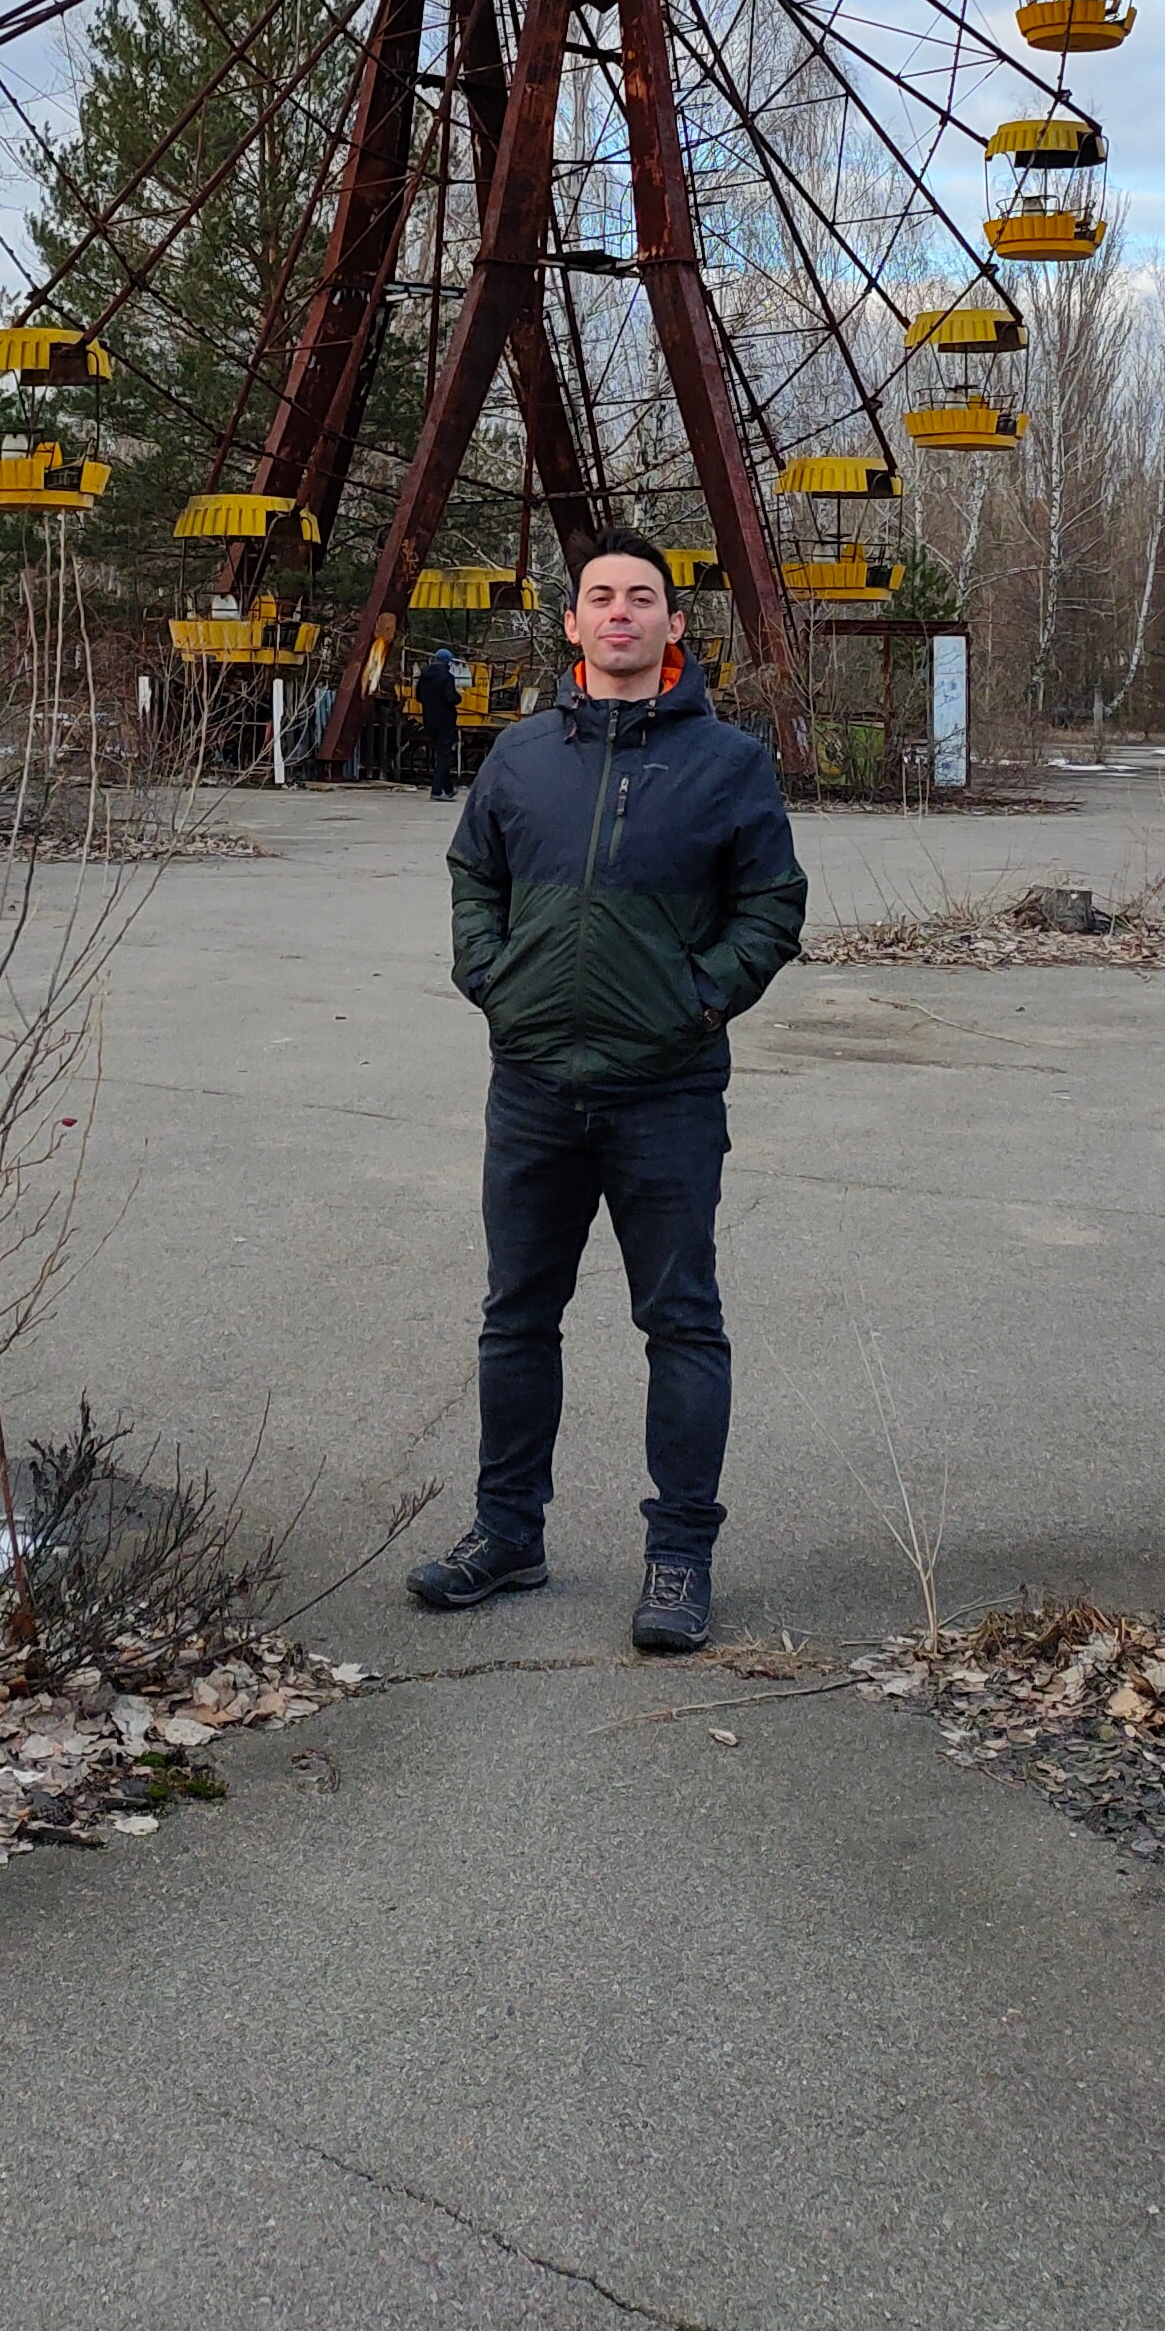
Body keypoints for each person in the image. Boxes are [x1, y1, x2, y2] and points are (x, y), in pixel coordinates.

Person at [408, 536, 807, 1657]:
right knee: (516, 1316)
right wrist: (490, 975)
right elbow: (471, 872)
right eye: (601, 597)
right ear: (572, 624)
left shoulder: (728, 763)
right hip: (533, 1084)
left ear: (676, 628)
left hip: (666, 1092)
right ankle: (507, 1533)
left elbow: (772, 904)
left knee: (680, 1322)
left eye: (643, 598)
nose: (621, 613)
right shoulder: (520, 755)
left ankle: (680, 1553)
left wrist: (698, 997)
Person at [415, 643, 465, 801]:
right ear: (448, 662)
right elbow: (450, 698)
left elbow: (418, 697)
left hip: (429, 719)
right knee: (444, 756)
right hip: (445, 721)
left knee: (440, 753)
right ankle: (436, 791)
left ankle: (448, 789)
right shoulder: (447, 677)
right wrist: (459, 698)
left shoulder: (424, 676)